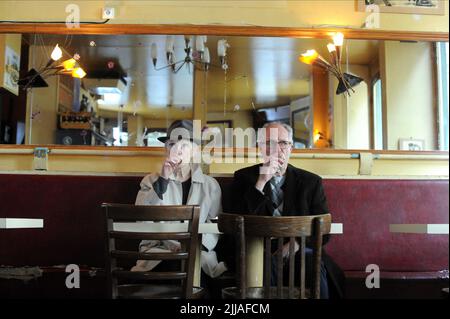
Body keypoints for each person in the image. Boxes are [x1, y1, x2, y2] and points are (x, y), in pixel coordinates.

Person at [230, 121, 344, 299]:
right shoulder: (243, 178)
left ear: (291, 148)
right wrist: (261, 182)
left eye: (283, 143)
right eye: (269, 143)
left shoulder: (311, 182)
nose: (276, 149)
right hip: (258, 250)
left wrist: (296, 244)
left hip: (300, 249)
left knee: (313, 266)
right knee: (263, 265)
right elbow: (236, 223)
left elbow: (325, 231)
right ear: (260, 147)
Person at [132, 120, 227, 280]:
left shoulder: (210, 185)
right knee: (177, 268)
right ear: (165, 149)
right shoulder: (150, 181)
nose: (177, 150)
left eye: (184, 145)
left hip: (198, 254)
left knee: (194, 271)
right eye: (171, 144)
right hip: (158, 254)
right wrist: (163, 179)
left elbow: (216, 224)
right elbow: (142, 218)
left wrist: (192, 245)